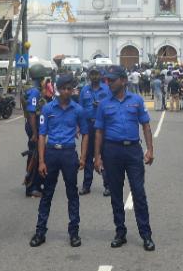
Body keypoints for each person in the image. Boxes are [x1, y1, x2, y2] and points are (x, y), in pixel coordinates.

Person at [94, 66, 155, 251]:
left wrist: (150, 150)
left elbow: (145, 126)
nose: (109, 83)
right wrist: (97, 157)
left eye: (112, 80)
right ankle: (120, 232)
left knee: (138, 193)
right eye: (108, 80)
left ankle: (146, 235)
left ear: (123, 80)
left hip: (133, 151)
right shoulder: (104, 104)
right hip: (112, 151)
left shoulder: (136, 100)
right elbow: (99, 131)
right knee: (116, 194)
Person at [30, 73, 89, 247]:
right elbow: (42, 135)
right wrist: (41, 161)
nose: (66, 91)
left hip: (69, 154)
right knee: (47, 193)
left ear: (72, 90)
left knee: (72, 194)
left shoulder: (78, 110)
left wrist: (83, 157)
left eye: (69, 88)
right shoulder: (48, 109)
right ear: (57, 89)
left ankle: (74, 233)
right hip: (51, 154)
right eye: (63, 88)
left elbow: (85, 134)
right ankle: (40, 232)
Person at [78, 66, 111, 195]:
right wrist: (78, 125)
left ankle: (108, 185)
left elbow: (111, 105)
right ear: (89, 76)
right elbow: (80, 109)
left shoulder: (107, 89)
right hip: (88, 125)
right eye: (92, 74)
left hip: (102, 126)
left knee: (105, 155)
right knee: (87, 156)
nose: (94, 76)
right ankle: (86, 185)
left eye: (97, 74)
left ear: (101, 75)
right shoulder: (84, 90)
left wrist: (102, 106)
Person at [23, 75, 44, 197]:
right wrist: (35, 133)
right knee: (34, 156)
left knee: (35, 155)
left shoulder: (29, 88)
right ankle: (31, 187)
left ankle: (34, 184)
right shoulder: (35, 91)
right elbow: (31, 113)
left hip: (33, 125)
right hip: (34, 126)